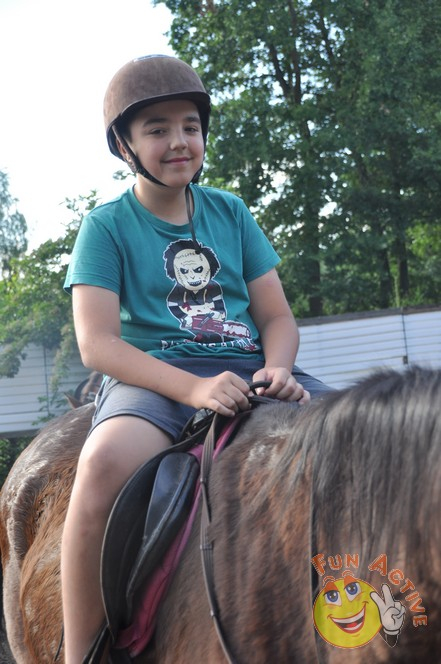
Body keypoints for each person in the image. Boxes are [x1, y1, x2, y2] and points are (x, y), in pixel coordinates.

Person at [61, 54, 331, 663]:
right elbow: (97, 344)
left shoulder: (230, 212)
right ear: (125, 146)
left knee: (365, 438)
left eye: (190, 126)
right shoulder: (105, 227)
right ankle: (81, 652)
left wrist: (278, 367)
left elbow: (276, 318)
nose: (179, 141)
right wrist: (191, 389)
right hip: (154, 378)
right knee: (102, 465)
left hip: (251, 368)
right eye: (157, 129)